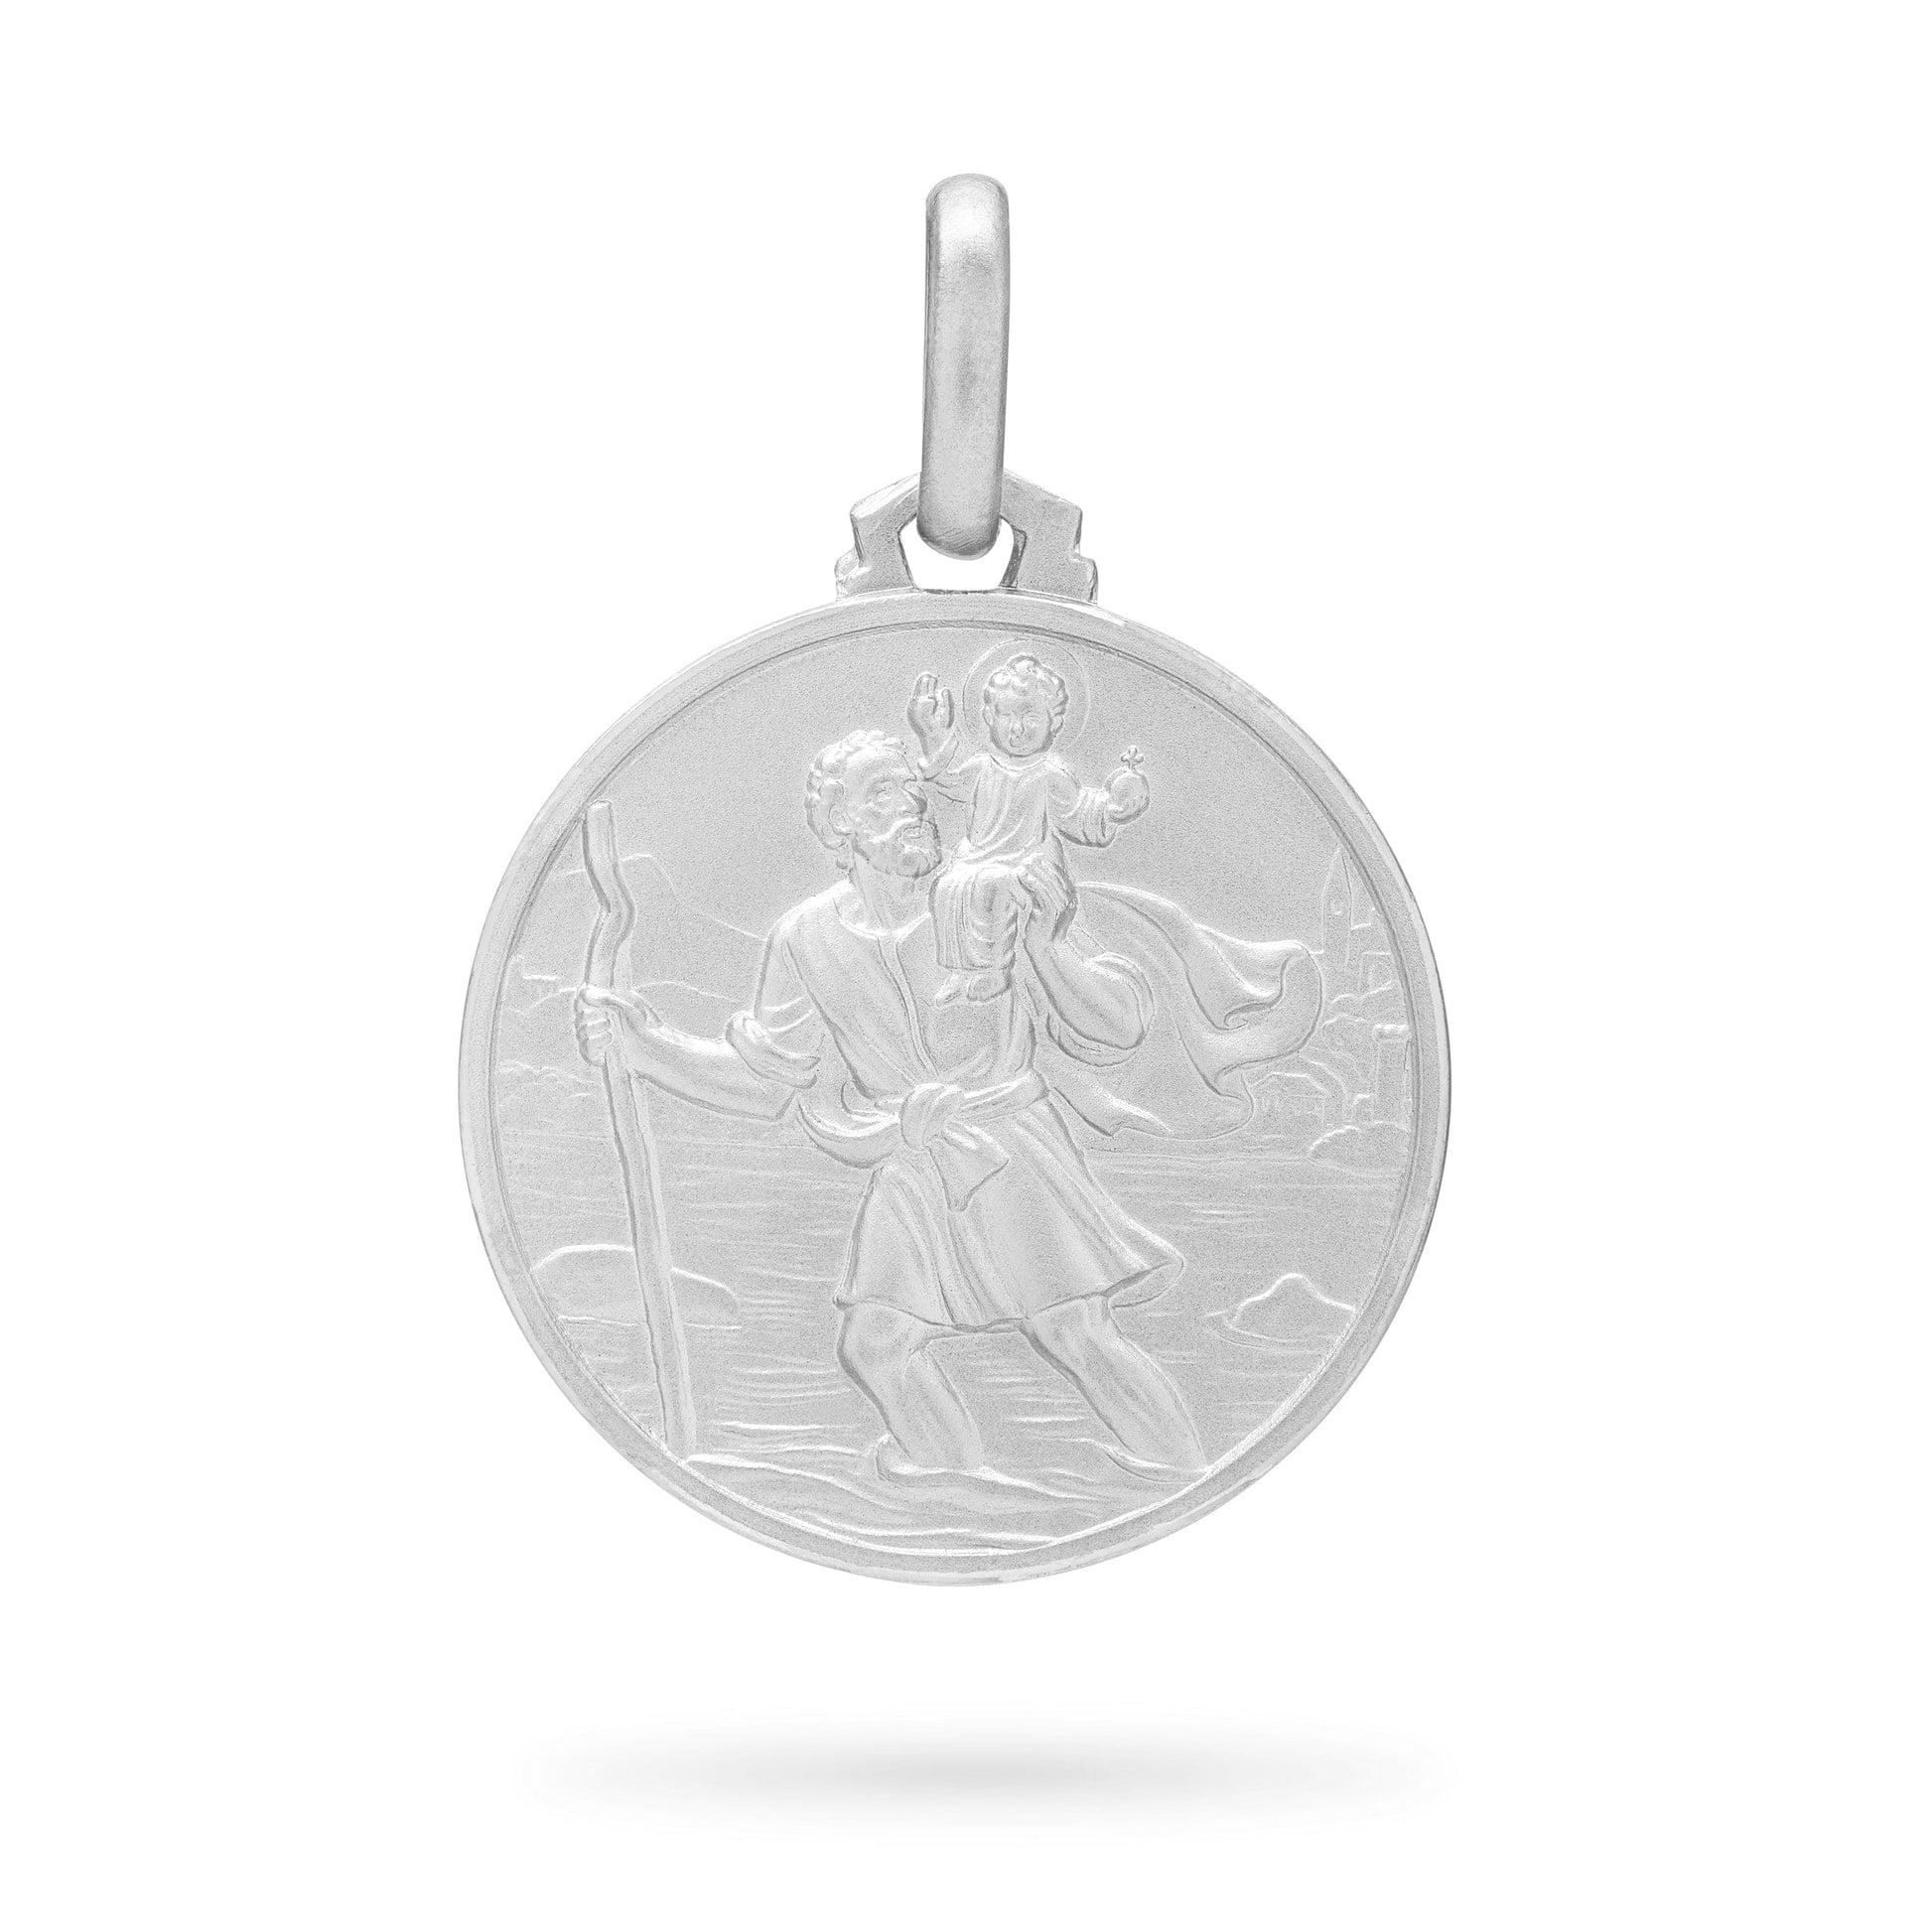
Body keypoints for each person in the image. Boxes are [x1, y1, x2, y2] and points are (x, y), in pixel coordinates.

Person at [574, 728, 1206, 1477]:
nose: (911, 801)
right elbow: (767, 1082)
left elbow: (1116, 1026)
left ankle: (1179, 1470)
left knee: (1074, 1330)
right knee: (875, 1344)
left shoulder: (985, 895)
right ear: (838, 821)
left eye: (911, 786)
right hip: (909, 1157)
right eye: (881, 791)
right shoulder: (805, 937)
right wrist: (647, 1048)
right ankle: (954, 1484)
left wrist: (1047, 943)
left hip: (1009, 1148)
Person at [906, 652, 1150, 1004]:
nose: (1017, 728)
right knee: (946, 888)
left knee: (992, 885)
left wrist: (1113, 810)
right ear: (989, 717)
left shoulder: (1050, 774)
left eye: (1030, 716)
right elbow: (948, 778)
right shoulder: (982, 768)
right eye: (1006, 715)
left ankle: (994, 972)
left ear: (1054, 721)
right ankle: (962, 973)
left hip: (1029, 863)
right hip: (975, 857)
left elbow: (1078, 812)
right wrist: (932, 733)